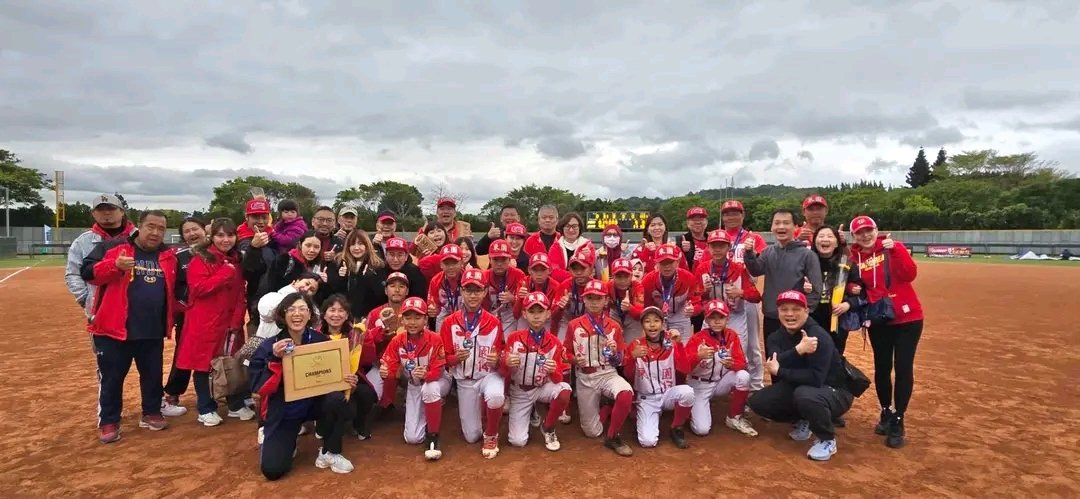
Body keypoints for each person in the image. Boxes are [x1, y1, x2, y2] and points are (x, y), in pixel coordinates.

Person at [80, 210, 176, 443]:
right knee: (112, 377)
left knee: (152, 375)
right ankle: (110, 421)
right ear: (138, 227)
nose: (155, 233)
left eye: (161, 229)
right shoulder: (113, 247)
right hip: (114, 330)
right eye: (150, 227)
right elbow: (88, 273)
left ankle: (151, 412)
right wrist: (115, 266)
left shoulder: (168, 256)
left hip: (151, 330)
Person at [249, 293, 357, 479]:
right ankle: (287, 442)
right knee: (272, 470)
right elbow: (259, 386)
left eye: (302, 309)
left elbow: (334, 378)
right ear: (282, 314)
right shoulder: (269, 346)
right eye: (291, 309)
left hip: (314, 404)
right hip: (285, 410)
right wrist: (275, 358)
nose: (297, 314)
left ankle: (329, 452)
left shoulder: (321, 342)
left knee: (336, 400)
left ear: (310, 315)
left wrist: (347, 381)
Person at [747, 291, 852, 461]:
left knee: (805, 395)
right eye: (784, 309)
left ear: (806, 310)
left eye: (796, 309)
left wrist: (781, 371)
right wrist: (798, 351)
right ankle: (805, 418)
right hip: (801, 386)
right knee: (758, 401)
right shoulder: (776, 336)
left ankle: (827, 439)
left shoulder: (818, 335)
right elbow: (775, 361)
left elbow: (816, 378)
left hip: (834, 391)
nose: (789, 314)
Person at [849, 215, 923, 449]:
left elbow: (910, 274)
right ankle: (885, 411)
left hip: (907, 317)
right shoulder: (854, 256)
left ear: (876, 230)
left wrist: (897, 251)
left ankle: (899, 418)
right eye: (860, 232)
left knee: (903, 367)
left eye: (869, 230)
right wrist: (853, 287)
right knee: (882, 367)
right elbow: (853, 283)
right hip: (878, 318)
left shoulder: (892, 247)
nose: (865, 235)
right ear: (854, 236)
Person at [176, 217, 252, 426]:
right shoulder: (201, 259)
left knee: (231, 363)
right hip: (204, 321)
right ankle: (205, 406)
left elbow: (240, 294)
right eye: (220, 235)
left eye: (230, 235)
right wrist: (224, 274)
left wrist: (236, 320)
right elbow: (198, 289)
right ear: (212, 236)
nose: (225, 240)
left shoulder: (236, 260)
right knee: (202, 365)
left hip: (228, 323)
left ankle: (235, 404)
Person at [439, 268, 506, 458]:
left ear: (485, 292)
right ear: (461, 291)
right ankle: (484, 414)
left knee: (495, 395)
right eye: (468, 290)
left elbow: (502, 351)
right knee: (471, 436)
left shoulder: (494, 322)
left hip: (487, 376)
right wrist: (454, 359)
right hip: (464, 381)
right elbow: (442, 357)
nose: (472, 295)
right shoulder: (449, 322)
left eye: (477, 290)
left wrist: (498, 358)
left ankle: (491, 434)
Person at [565, 279, 635, 457]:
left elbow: (620, 360)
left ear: (606, 301)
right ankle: (607, 407)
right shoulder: (574, 325)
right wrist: (574, 360)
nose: (594, 302)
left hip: (607, 373)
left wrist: (613, 353)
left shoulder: (614, 326)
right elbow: (565, 353)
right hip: (585, 377)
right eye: (590, 298)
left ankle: (612, 436)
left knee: (626, 392)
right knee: (592, 432)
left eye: (598, 298)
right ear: (584, 300)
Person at [377, 297, 450, 460]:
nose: (413, 322)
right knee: (413, 438)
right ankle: (431, 408)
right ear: (402, 320)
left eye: (418, 317)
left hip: (438, 381)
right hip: (414, 385)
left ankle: (433, 436)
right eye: (408, 317)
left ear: (425, 319)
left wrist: (427, 375)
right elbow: (391, 368)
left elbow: (438, 372)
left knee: (430, 389)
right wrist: (385, 371)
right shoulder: (397, 341)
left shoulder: (435, 339)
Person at [693, 230, 763, 392]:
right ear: (708, 248)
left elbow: (756, 296)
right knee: (705, 353)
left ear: (728, 248)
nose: (717, 249)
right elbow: (696, 297)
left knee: (739, 356)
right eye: (714, 245)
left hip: (734, 316)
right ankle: (705, 390)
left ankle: (740, 391)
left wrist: (741, 293)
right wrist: (703, 291)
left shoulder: (738, 268)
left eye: (721, 245)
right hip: (711, 317)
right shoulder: (703, 268)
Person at [502, 292, 572, 451]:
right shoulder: (513, 338)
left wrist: (554, 371)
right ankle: (531, 409)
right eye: (531, 312)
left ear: (548, 314)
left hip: (542, 388)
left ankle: (548, 427)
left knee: (564, 390)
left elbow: (559, 378)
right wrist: (505, 363)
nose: (536, 316)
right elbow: (502, 371)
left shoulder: (554, 342)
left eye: (540, 311)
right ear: (524, 314)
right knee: (517, 441)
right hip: (519, 391)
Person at [743, 208, 823, 338]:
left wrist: (803, 312)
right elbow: (755, 270)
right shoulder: (768, 252)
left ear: (795, 226)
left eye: (786, 223)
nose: (781, 226)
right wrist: (749, 253)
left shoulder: (807, 255)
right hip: (771, 316)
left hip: (795, 319)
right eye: (777, 223)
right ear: (772, 227)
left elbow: (816, 289)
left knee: (796, 356)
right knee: (772, 356)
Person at [684, 300, 758, 438]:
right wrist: (698, 356)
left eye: (721, 317)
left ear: (727, 319)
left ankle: (734, 417)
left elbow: (742, 363)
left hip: (719, 382)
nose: (717, 322)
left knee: (743, 376)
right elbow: (684, 367)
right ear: (706, 320)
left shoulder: (732, 335)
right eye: (713, 318)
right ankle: (690, 410)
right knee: (702, 430)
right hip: (699, 385)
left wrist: (732, 365)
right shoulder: (697, 338)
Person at [623, 306, 693, 449]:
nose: (652, 324)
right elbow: (628, 375)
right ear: (642, 325)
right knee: (647, 442)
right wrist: (632, 357)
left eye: (656, 321)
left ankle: (676, 427)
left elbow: (686, 369)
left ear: (663, 324)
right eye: (647, 321)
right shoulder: (635, 346)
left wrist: (679, 345)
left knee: (687, 392)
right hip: (646, 398)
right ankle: (645, 415)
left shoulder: (671, 343)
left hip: (668, 394)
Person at [66, 193, 135, 323]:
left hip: (135, 308)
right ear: (93, 213)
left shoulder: (139, 237)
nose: (106, 213)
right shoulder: (82, 242)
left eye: (111, 208)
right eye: (100, 209)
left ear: (122, 212)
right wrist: (85, 299)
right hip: (100, 312)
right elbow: (73, 274)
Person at [161, 217, 206, 417]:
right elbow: (174, 286)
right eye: (186, 231)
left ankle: (218, 391)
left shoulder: (218, 252)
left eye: (194, 229)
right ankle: (172, 393)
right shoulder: (179, 256)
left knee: (215, 354)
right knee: (184, 354)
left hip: (215, 313)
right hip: (189, 315)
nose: (191, 234)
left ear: (204, 230)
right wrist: (183, 305)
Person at [320, 294, 378, 441]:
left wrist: (366, 337)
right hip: (324, 383)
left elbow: (368, 359)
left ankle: (360, 425)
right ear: (324, 314)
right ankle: (322, 425)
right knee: (338, 403)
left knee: (366, 394)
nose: (336, 315)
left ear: (347, 315)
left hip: (352, 378)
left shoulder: (355, 334)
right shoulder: (316, 335)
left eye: (341, 311)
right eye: (332, 310)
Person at [360, 272, 412, 411]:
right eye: (392, 286)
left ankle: (412, 400)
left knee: (417, 377)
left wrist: (401, 367)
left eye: (401, 286)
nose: (396, 290)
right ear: (385, 290)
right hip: (380, 365)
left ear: (407, 291)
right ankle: (385, 403)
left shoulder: (414, 313)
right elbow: (366, 344)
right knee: (370, 394)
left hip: (408, 364)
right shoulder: (375, 314)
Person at [810, 225, 860, 356]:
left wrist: (847, 304)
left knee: (835, 356)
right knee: (812, 356)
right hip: (811, 319)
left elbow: (862, 293)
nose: (825, 239)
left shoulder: (847, 264)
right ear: (814, 241)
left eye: (830, 236)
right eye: (820, 236)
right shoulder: (807, 262)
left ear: (837, 242)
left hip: (837, 320)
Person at [640, 244, 701, 339]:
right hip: (657, 317)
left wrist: (693, 309)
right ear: (656, 263)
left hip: (681, 315)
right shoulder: (648, 280)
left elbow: (698, 302)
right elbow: (645, 307)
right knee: (658, 351)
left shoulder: (688, 278)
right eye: (663, 263)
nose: (667, 266)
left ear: (677, 262)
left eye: (670, 262)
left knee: (683, 349)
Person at [238, 198, 278, 335]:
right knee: (257, 343)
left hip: (277, 297)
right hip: (257, 302)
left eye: (264, 217)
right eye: (255, 217)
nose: (260, 221)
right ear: (246, 217)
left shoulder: (273, 237)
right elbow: (247, 271)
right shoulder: (242, 240)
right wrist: (253, 248)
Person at [327, 229, 385, 319]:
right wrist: (341, 278)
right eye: (352, 244)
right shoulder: (338, 262)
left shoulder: (377, 265)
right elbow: (331, 292)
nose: (356, 248)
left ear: (367, 245)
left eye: (360, 244)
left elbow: (380, 295)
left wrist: (368, 278)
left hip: (368, 316)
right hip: (343, 316)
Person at [484, 239, 527, 335]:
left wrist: (513, 298)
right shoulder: (484, 276)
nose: (499, 264)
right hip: (490, 313)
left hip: (510, 314)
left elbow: (525, 304)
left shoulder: (518, 274)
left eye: (503, 259)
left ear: (510, 259)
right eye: (495, 259)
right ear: (489, 259)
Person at [552, 249, 595, 341]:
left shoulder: (596, 286)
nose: (578, 273)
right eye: (575, 269)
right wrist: (560, 307)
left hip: (592, 323)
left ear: (591, 269)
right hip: (568, 322)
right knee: (562, 350)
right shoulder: (565, 286)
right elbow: (553, 317)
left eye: (582, 268)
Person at [266, 233, 326, 298]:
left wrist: (321, 283)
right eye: (308, 245)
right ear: (300, 245)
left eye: (316, 247)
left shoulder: (316, 266)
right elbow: (270, 285)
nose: (312, 250)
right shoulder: (285, 259)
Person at [512, 253, 560, 331]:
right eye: (535, 270)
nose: (539, 274)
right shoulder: (523, 283)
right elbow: (516, 315)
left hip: (546, 319)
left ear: (550, 270)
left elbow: (555, 318)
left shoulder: (555, 286)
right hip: (527, 317)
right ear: (529, 270)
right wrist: (520, 299)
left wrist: (560, 307)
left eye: (543, 270)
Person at [427, 244, 466, 331]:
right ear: (441, 264)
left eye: (454, 263)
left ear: (461, 263)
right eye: (447, 263)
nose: (451, 267)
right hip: (444, 315)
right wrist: (432, 310)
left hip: (466, 314)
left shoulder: (468, 278)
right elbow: (434, 307)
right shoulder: (435, 281)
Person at [606, 258, 645, 343]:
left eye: (626, 276)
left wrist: (630, 308)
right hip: (615, 314)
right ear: (612, 276)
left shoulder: (637, 287)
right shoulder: (608, 286)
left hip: (633, 318)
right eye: (619, 276)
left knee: (632, 346)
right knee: (612, 343)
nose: (623, 280)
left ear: (631, 276)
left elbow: (640, 314)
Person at [547, 212, 594, 279]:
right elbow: (554, 273)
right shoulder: (555, 247)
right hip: (561, 286)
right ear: (562, 228)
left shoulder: (588, 246)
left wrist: (588, 258)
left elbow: (589, 272)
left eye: (574, 226)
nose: (571, 230)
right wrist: (576, 276)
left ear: (579, 227)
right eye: (567, 226)